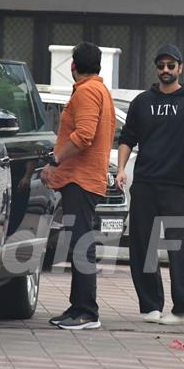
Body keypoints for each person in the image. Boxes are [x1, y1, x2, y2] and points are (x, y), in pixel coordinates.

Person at [116, 44, 184, 325]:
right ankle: (150, 306)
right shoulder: (141, 102)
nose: (165, 70)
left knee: (176, 247)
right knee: (142, 246)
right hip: (144, 184)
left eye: (170, 65)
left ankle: (181, 310)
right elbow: (127, 139)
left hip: (176, 186)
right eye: (161, 65)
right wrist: (120, 170)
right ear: (156, 68)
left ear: (180, 68)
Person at [40, 42, 116, 330]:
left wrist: (55, 159)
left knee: (81, 245)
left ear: (73, 65)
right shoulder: (100, 90)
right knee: (76, 244)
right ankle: (77, 307)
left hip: (80, 180)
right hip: (83, 179)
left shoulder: (87, 91)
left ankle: (87, 312)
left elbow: (84, 135)